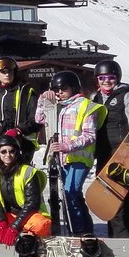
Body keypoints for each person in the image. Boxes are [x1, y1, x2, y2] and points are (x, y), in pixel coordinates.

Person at [90, 60, 129, 238]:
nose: (106, 81)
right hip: (104, 156)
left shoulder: (127, 96)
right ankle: (115, 240)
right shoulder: (96, 98)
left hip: (125, 156)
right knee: (109, 199)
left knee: (125, 201)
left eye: (111, 77)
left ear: (117, 78)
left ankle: (127, 241)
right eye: (102, 78)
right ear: (97, 80)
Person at [0, 135, 54, 257]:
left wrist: (15, 227)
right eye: (3, 152)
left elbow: (32, 204)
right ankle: (0, 242)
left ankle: (28, 241)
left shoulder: (28, 172)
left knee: (42, 226)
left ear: (17, 152)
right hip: (7, 216)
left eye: (12, 151)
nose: (8, 155)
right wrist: (2, 223)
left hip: (28, 215)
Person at [44, 71, 104, 236]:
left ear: (73, 87)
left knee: (71, 193)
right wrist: (43, 101)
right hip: (64, 159)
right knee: (72, 196)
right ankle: (86, 230)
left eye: (63, 89)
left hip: (79, 158)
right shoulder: (60, 107)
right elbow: (40, 120)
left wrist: (66, 146)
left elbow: (90, 136)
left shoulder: (84, 105)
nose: (59, 93)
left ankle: (78, 232)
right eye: (56, 89)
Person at [0, 56, 40, 163]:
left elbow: (36, 118)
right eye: (3, 72)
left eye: (10, 72)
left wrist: (18, 130)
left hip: (22, 143)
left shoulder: (26, 92)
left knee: (18, 176)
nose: (7, 74)